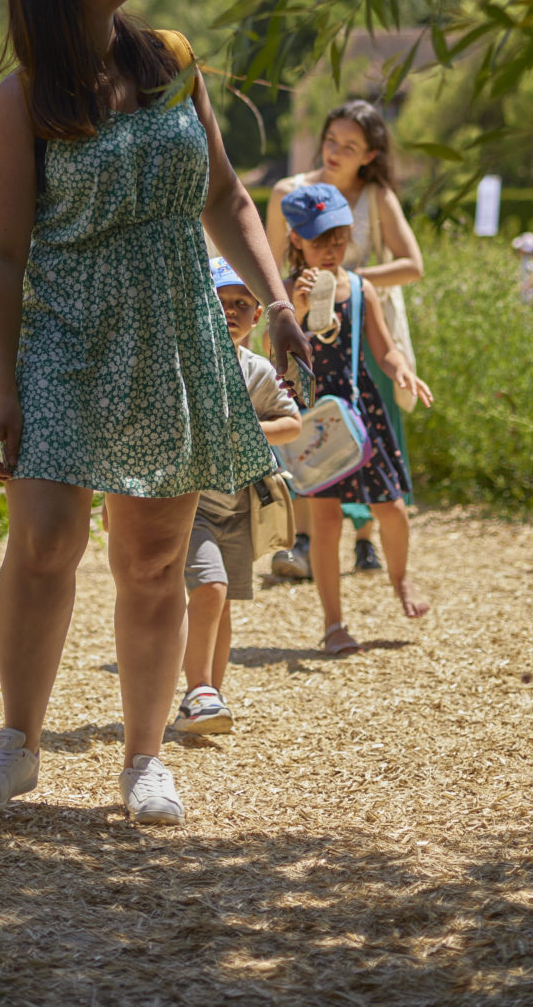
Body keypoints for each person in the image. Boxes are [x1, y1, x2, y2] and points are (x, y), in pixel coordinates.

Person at [0, 0, 311, 826]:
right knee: (42, 544)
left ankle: (144, 758)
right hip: (65, 337)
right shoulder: (25, 97)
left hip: (171, 334)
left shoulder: (171, 64)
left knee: (153, 559)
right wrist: (1, 389)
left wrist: (274, 300)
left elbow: (228, 197)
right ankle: (18, 745)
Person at [266, 99, 423, 580]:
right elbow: (270, 263)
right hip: (302, 326)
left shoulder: (375, 196)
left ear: (370, 154)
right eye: (331, 140)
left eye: (349, 146)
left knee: (364, 427)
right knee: (309, 428)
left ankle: (363, 539)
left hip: (359, 323)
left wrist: (346, 282)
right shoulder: (290, 191)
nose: (334, 151)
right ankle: (309, 540)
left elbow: (413, 265)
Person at [280, 183, 432, 654]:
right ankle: (333, 623)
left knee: (393, 508)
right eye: (320, 240)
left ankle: (401, 579)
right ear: (296, 240)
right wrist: (299, 310)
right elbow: (276, 353)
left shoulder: (362, 288)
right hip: (318, 414)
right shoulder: (287, 293)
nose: (331, 249)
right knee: (325, 522)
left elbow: (383, 348)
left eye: (340, 238)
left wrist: (402, 369)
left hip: (361, 408)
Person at [175, 259, 302, 739]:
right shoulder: (184, 364)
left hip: (239, 506)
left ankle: (210, 697)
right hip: (190, 503)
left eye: (241, 304)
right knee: (209, 590)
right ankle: (198, 690)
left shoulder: (260, 370)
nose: (230, 311)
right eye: (219, 301)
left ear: (256, 317)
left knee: (222, 601)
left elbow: (291, 423)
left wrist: (246, 430)